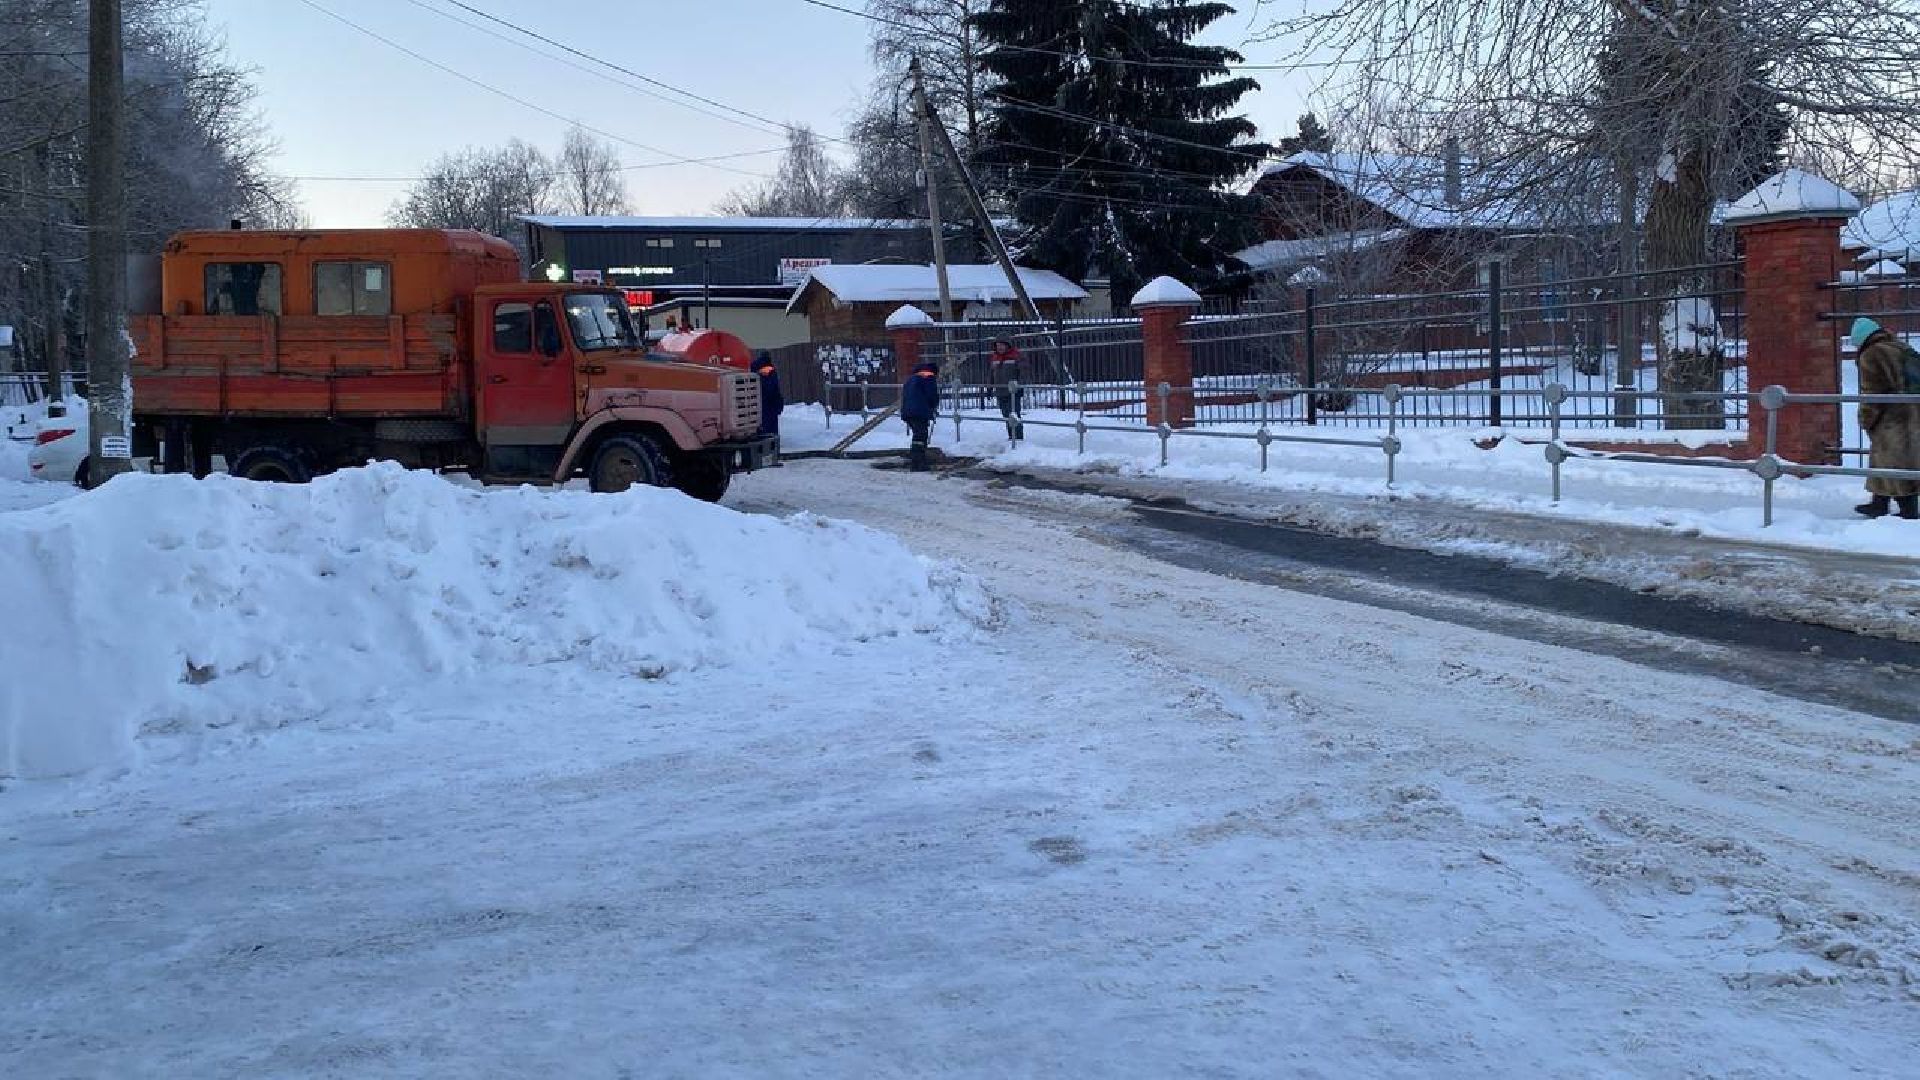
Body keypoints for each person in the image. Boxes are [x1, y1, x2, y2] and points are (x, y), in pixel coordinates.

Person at [1851, 317, 1920, 519]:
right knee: (1888, 459)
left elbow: (1871, 394)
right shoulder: (1898, 346)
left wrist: (1865, 419)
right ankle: (1878, 503)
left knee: (1894, 461)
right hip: (1913, 411)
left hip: (1892, 418)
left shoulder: (1871, 355)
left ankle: (1908, 511)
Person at [900, 360, 941, 472]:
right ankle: (918, 463)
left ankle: (916, 461)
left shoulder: (912, 378)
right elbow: (931, 395)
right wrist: (933, 406)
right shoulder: (928, 377)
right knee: (921, 436)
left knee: (918, 435)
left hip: (908, 411)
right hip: (919, 411)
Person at [988, 338, 1025, 441]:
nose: (999, 347)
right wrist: (989, 388)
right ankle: (1011, 436)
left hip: (1013, 392)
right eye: (997, 345)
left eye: (1001, 345)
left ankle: (1017, 438)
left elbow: (1023, 372)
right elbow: (991, 374)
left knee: (1014, 414)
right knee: (1005, 415)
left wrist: (1019, 386)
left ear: (1007, 345)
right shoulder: (994, 358)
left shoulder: (1016, 356)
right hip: (1000, 392)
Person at [753, 352, 784, 464]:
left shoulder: (754, 368)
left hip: (760, 404)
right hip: (769, 405)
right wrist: (778, 404)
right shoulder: (769, 370)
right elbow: (773, 389)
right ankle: (772, 455)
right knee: (771, 432)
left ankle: (763, 454)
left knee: (762, 431)